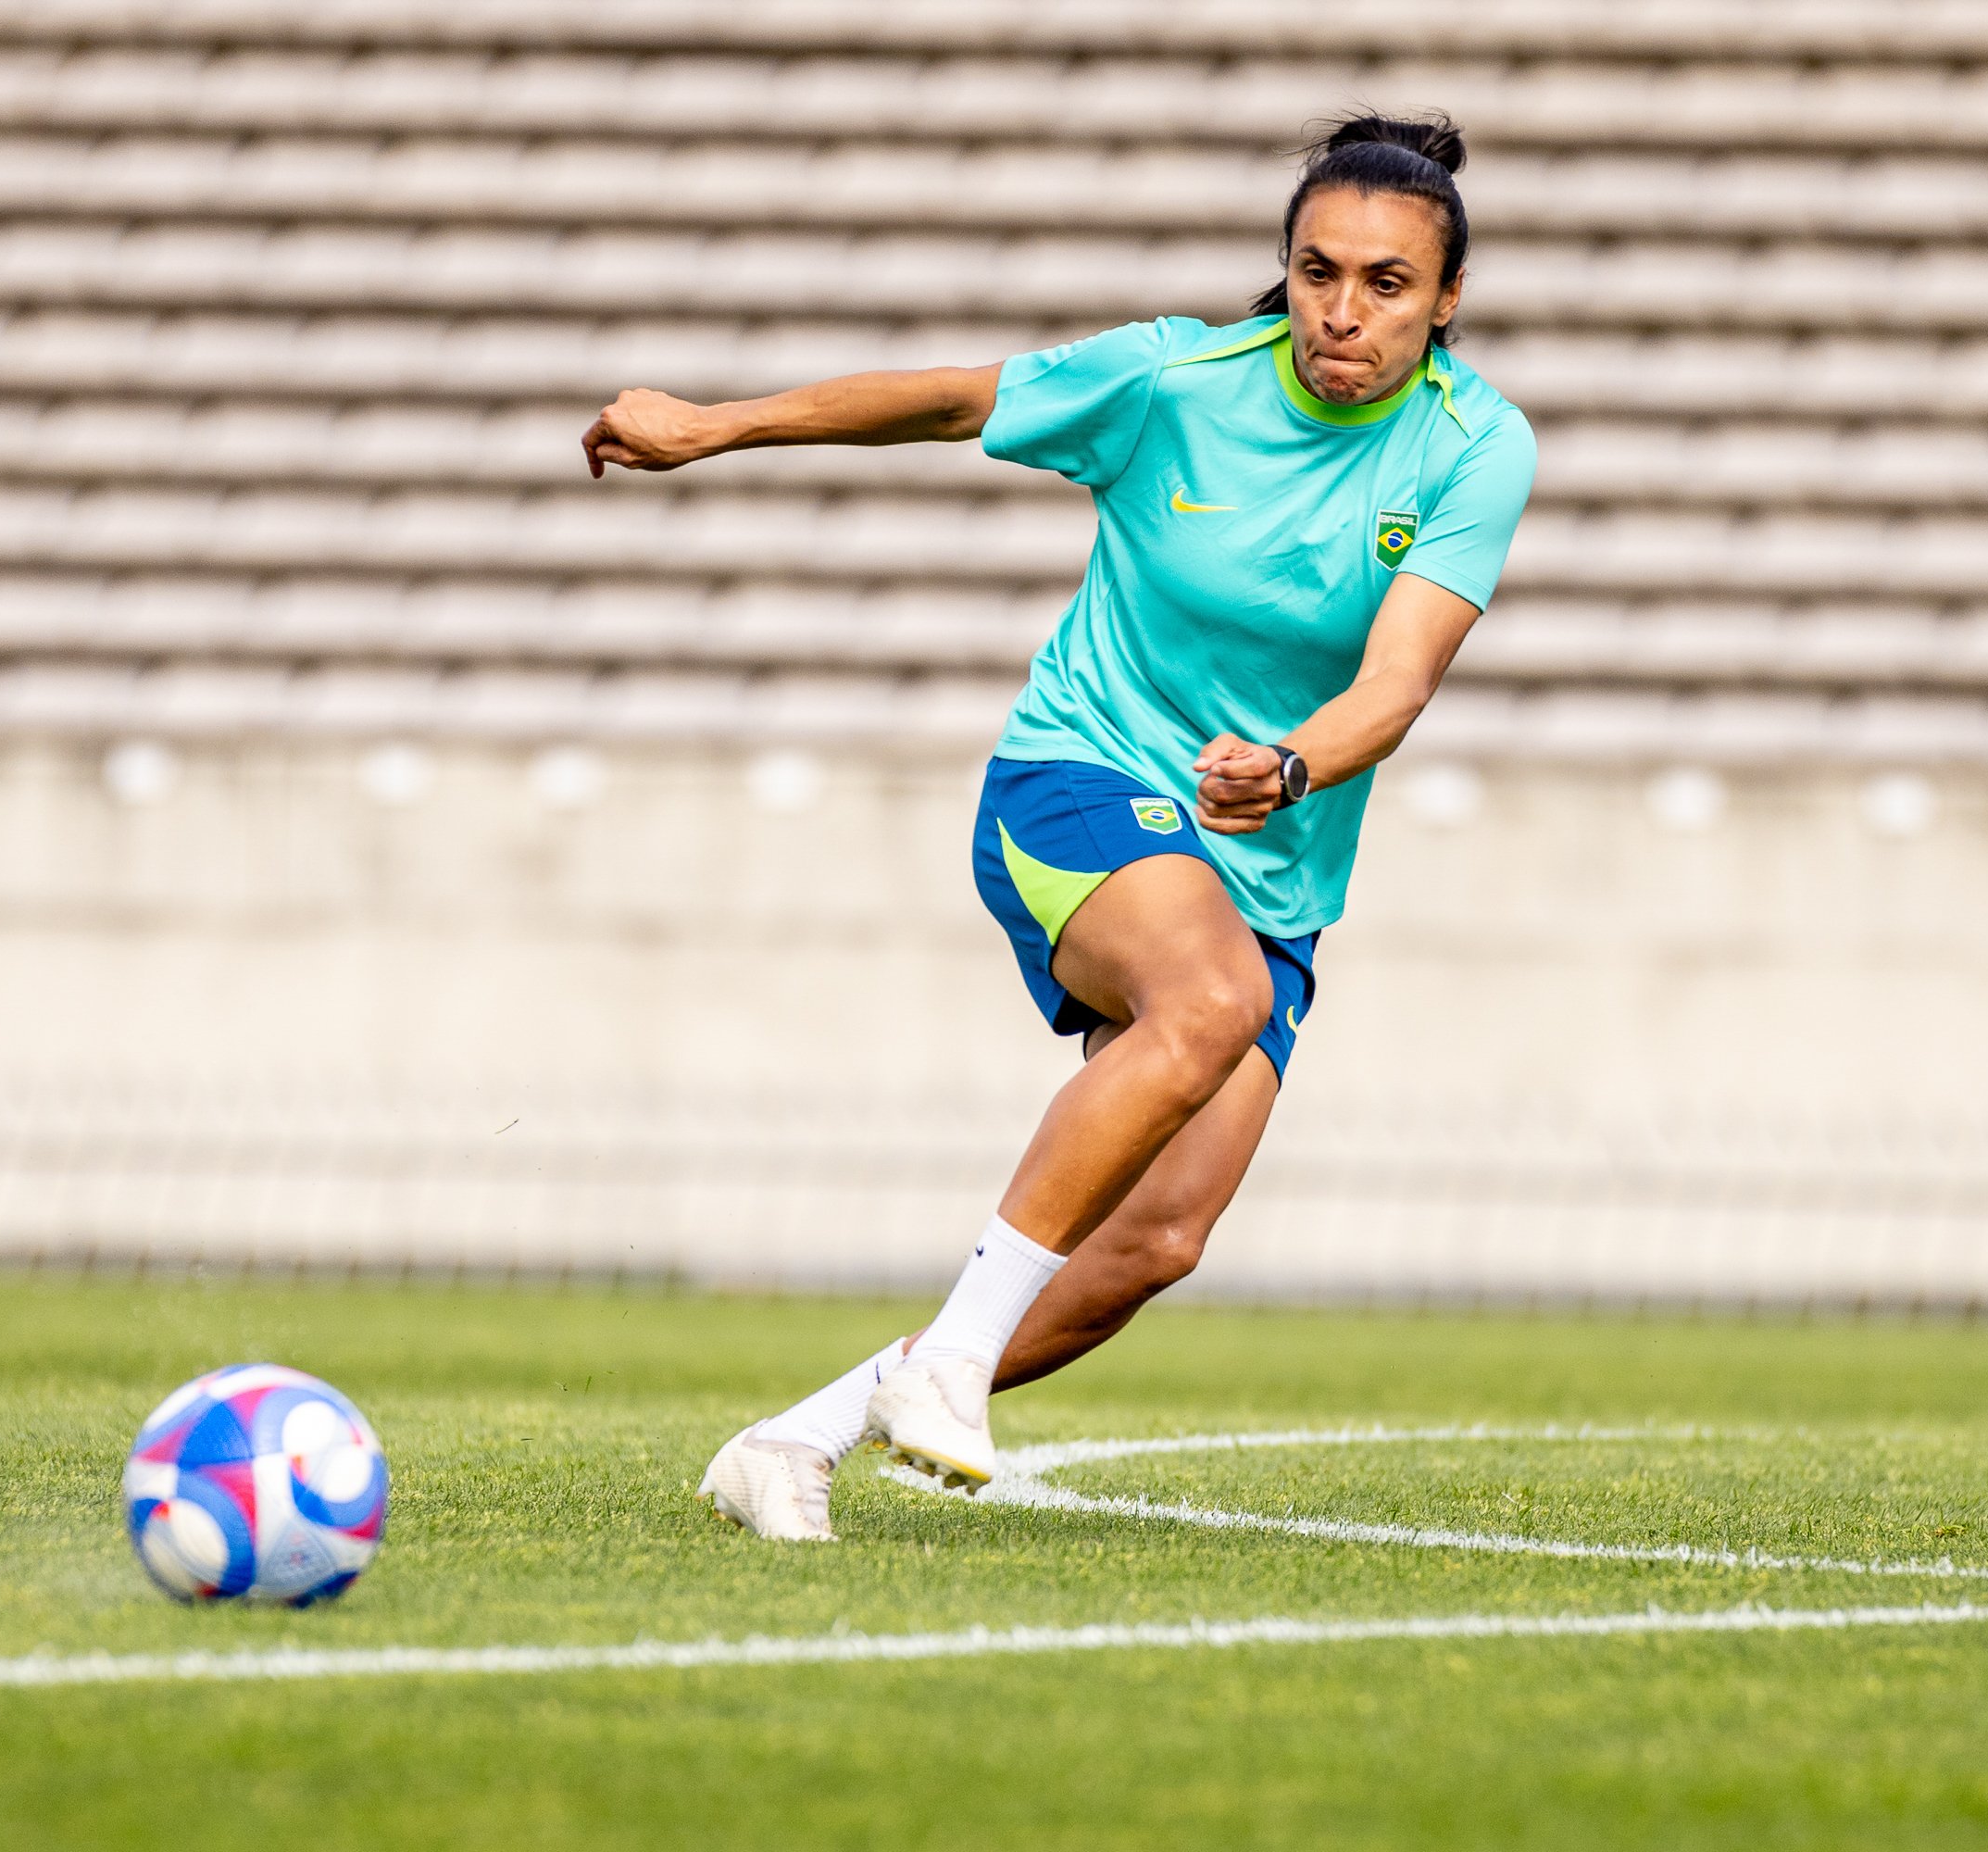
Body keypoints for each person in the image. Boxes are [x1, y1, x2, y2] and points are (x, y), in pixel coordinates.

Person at [582, 113, 1537, 1540]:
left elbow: (1395, 685)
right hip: (1080, 778)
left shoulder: (1476, 447)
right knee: (1207, 997)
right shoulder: (1173, 380)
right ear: (1283, 269)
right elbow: (954, 400)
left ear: (1446, 300)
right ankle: (953, 1365)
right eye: (1318, 270)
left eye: (1387, 285)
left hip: (1265, 843)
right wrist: (718, 426)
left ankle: (802, 1435)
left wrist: (1283, 767)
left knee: (1157, 1239)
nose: (1345, 311)